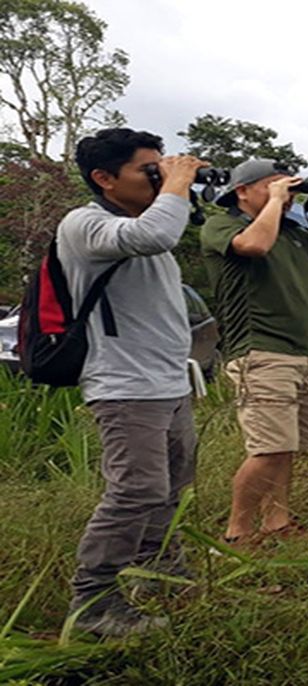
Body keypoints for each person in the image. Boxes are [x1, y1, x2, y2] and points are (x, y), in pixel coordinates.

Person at [58, 128, 206, 636]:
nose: (160, 179)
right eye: (149, 170)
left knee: (171, 488)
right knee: (135, 491)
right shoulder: (84, 223)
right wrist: (179, 180)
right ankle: (94, 603)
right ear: (103, 178)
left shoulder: (146, 223)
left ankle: (159, 571)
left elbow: (165, 228)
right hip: (125, 386)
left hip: (168, 382)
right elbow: (157, 234)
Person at [201, 158, 308, 543]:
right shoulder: (221, 224)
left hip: (305, 350)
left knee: (286, 446)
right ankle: (237, 533)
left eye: (289, 188)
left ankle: (277, 521)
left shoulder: (294, 232)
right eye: (274, 186)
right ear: (241, 190)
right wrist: (275, 199)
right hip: (261, 349)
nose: (287, 195)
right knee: (268, 449)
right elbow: (255, 246)